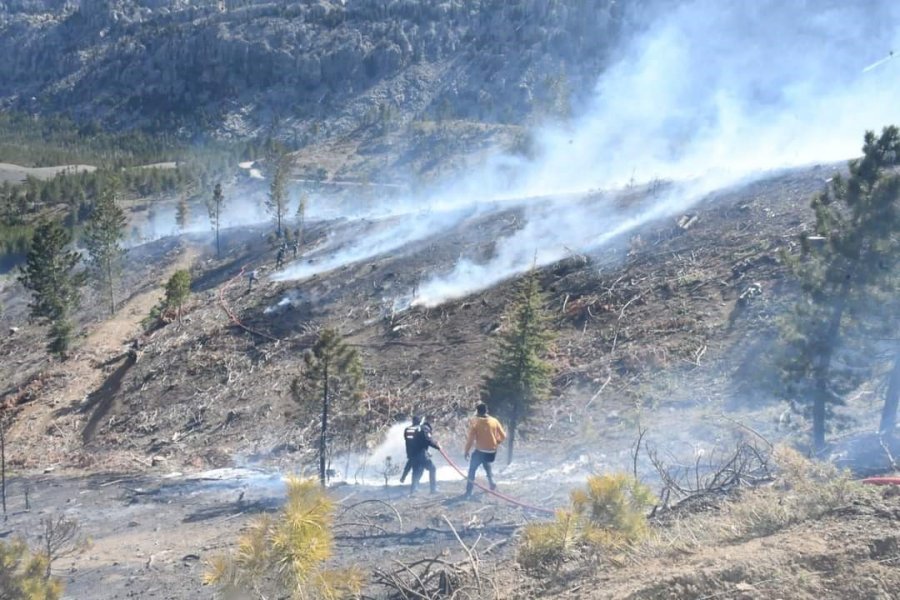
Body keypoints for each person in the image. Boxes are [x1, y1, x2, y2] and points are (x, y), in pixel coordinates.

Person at [464, 403, 506, 498]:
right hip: (492, 452)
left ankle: (469, 491)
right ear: (487, 411)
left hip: (480, 451)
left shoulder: (476, 423)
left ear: (477, 412)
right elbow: (503, 436)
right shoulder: (494, 421)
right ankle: (491, 481)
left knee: (472, 470)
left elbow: (470, 440)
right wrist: (497, 442)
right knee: (485, 462)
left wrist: (466, 451)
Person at [405, 415, 441, 494]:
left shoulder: (407, 430)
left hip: (412, 455)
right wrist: (438, 447)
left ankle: (413, 490)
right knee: (432, 468)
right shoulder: (423, 428)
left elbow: (414, 442)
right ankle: (433, 489)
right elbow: (428, 441)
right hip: (421, 455)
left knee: (416, 471)